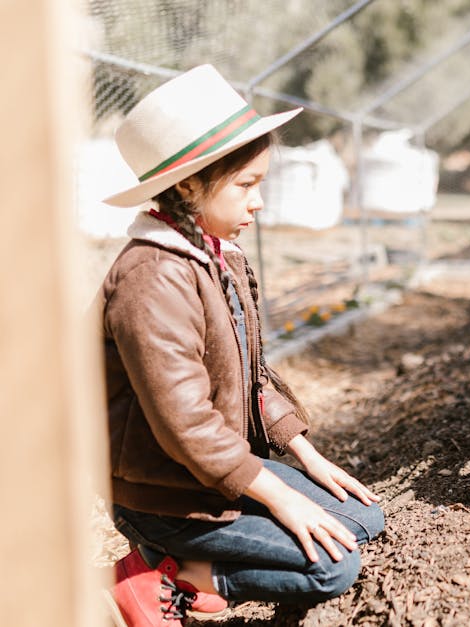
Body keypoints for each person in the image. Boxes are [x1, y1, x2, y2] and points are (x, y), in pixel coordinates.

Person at [98, 65, 384, 627]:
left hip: (215, 476)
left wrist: (306, 456)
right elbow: (187, 426)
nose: (258, 203)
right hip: (165, 495)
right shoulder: (152, 278)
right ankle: (164, 576)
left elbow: (251, 375)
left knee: (363, 516)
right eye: (246, 185)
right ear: (188, 185)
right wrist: (280, 497)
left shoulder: (217, 256)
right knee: (333, 567)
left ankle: (174, 566)